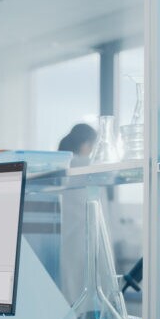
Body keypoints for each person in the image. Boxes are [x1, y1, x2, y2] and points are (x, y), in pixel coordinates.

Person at [57, 123, 100, 301]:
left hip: (65, 235)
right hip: (83, 235)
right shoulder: (86, 164)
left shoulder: (62, 164)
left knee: (69, 285)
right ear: (85, 144)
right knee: (86, 288)